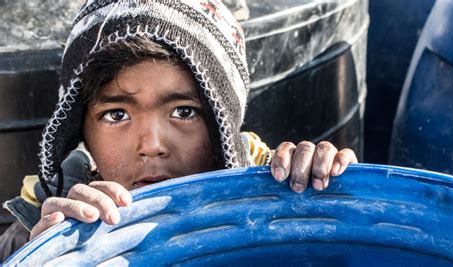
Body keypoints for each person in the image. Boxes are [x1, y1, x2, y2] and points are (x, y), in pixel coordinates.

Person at [0, 0, 357, 261]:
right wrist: (42, 252)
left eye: (183, 112)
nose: (151, 146)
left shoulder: (268, 188)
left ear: (221, 125)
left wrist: (323, 193)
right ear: (80, 129)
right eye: (116, 115)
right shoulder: (52, 221)